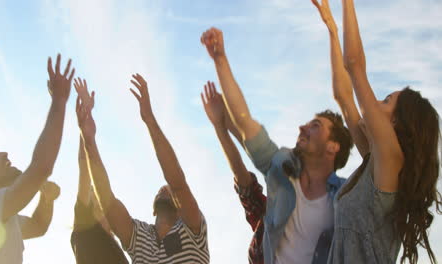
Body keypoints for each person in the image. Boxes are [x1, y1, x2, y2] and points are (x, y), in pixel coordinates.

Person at [201, 28, 353, 264]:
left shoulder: (347, 200)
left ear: (333, 147)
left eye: (315, 125)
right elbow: (245, 123)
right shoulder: (280, 170)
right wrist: (220, 60)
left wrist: (334, 30)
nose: (302, 127)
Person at [312, 0, 441, 263]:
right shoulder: (374, 164)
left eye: (385, 102)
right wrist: (332, 29)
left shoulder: (391, 161)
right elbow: (343, 96)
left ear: (394, 124)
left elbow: (354, 64)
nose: (374, 104)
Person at [77, 74, 209, 264]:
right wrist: (89, 140)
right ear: (153, 210)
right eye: (161, 190)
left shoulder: (192, 229)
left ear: (180, 208)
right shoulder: (140, 237)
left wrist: (149, 119)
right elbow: (107, 201)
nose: (164, 188)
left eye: (169, 190)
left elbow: (178, 183)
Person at [0, 54, 72, 263]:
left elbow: (38, 226)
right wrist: (59, 100)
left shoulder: (2, 216)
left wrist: (46, 201)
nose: (4, 154)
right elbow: (41, 168)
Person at [201, 81, 266, 264]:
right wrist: (221, 125)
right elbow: (243, 176)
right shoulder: (269, 214)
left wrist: (227, 123)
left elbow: (269, 163)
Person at [70, 78, 129, 264]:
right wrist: (86, 116)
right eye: (96, 205)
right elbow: (84, 167)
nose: (102, 206)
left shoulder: (117, 245)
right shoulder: (85, 230)